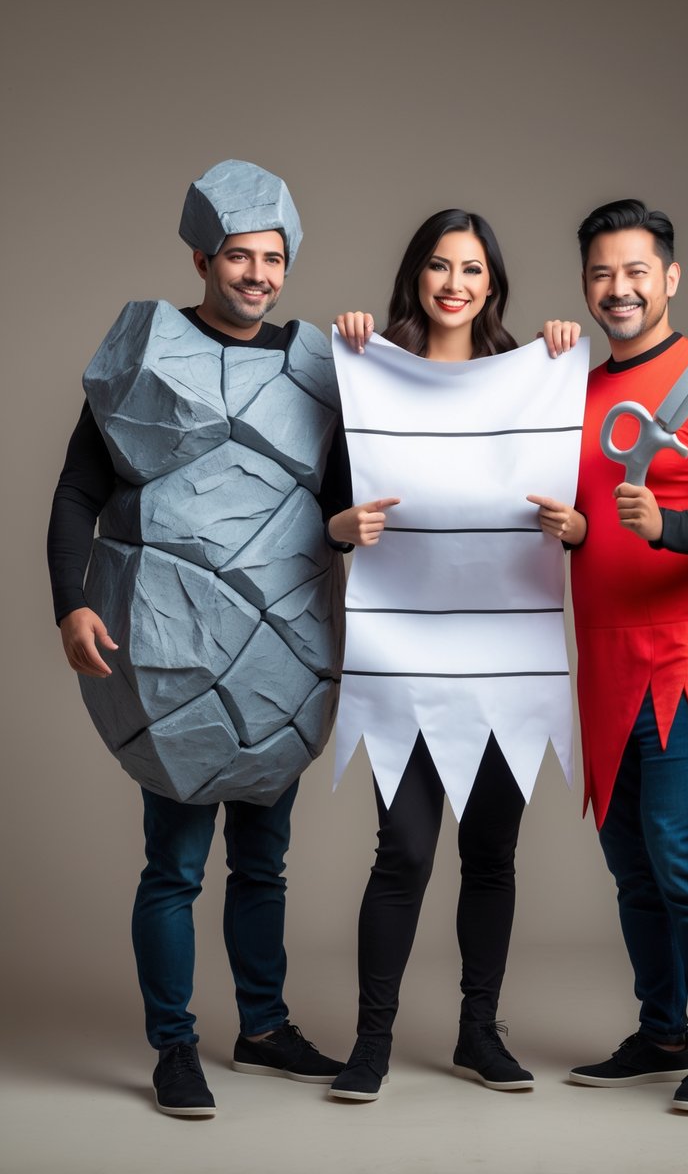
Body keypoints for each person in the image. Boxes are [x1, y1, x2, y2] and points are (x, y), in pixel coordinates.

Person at [47, 160, 351, 1117]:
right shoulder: (148, 354)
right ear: (201, 256)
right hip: (171, 650)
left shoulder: (316, 368)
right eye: (239, 257)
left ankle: (261, 1027)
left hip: (285, 653)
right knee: (174, 865)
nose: (258, 275)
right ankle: (173, 1047)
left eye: (272, 258)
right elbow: (76, 494)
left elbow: (345, 498)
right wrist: (70, 601)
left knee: (264, 859)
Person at [325, 209, 580, 1102]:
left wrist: (559, 353)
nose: (454, 283)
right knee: (402, 854)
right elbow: (328, 505)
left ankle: (479, 1032)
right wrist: (338, 525)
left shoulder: (534, 379)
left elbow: (572, 510)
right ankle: (372, 1042)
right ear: (416, 275)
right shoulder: (368, 375)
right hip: (403, 650)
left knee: (492, 855)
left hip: (505, 651)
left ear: (492, 285)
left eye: (472, 269)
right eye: (438, 265)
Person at [534, 198, 688, 1114]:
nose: (617, 288)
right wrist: (578, 529)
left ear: (668, 277)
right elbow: (587, 518)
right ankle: (661, 1029)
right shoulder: (577, 395)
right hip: (604, 656)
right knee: (629, 859)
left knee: (678, 851)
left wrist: (668, 524)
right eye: (601, 272)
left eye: (636, 270)